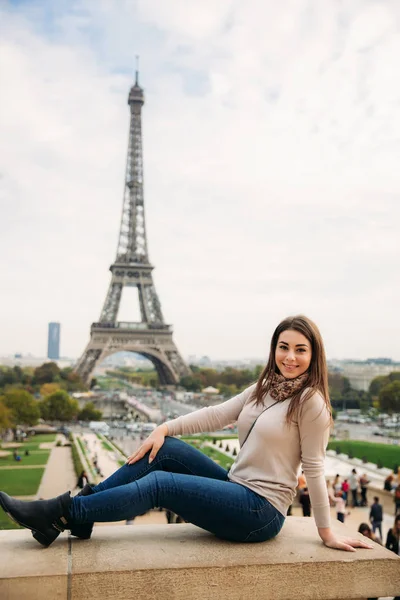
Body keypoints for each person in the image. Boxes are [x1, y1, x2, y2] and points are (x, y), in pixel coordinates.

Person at [0, 316, 373, 553]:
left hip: (261, 511)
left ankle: (64, 512)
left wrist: (327, 532)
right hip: (237, 486)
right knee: (165, 450)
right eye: (283, 347)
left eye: (300, 350)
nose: (290, 357)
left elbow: (315, 468)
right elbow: (216, 415)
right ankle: (80, 514)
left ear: (314, 355)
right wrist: (164, 427)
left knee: (162, 483)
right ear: (274, 349)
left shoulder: (312, 403)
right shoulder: (264, 388)